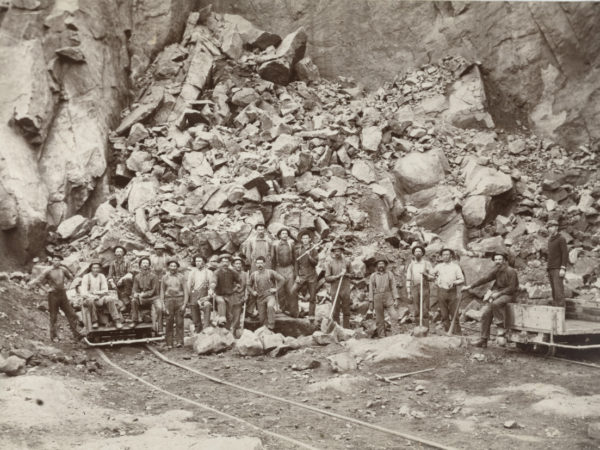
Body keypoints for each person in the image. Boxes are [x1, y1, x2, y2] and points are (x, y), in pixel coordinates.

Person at [463, 250, 519, 348]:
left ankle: (501, 327)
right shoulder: (496, 271)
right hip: (498, 295)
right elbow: (485, 279)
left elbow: (512, 288)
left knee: (495, 303)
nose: (497, 261)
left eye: (500, 259)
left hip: (509, 295)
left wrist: (498, 294)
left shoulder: (511, 271)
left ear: (505, 260)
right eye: (496, 259)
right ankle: (483, 340)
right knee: (485, 314)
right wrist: (470, 286)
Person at [28, 254, 82, 342]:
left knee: (71, 314)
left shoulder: (63, 269)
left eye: (58, 260)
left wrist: (67, 286)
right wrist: (46, 290)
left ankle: (76, 334)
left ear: (60, 261)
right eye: (55, 260)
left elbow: (71, 278)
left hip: (63, 294)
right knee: (53, 316)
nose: (56, 262)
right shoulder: (47, 270)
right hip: (53, 295)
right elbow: (38, 281)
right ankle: (53, 336)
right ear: (52, 261)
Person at [80, 260, 123, 329]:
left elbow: (105, 290)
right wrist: (92, 296)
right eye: (94, 268)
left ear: (100, 269)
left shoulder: (101, 276)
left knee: (109, 299)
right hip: (88, 298)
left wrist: (96, 293)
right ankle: (95, 321)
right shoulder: (86, 277)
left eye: (97, 268)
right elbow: (83, 292)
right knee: (90, 301)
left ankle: (116, 320)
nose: (96, 269)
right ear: (91, 268)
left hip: (100, 297)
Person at [431, 248, 465, 334]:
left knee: (454, 314)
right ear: (441, 257)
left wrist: (454, 282)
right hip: (441, 291)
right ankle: (448, 332)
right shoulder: (438, 266)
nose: (445, 256)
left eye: (447, 255)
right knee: (444, 314)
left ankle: (457, 333)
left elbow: (461, 279)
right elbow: (431, 275)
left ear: (451, 256)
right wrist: (435, 280)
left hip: (452, 292)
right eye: (444, 255)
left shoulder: (455, 267)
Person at [249, 256, 285, 330]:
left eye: (261, 263)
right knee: (262, 320)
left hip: (269, 296)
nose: (260, 265)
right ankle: (265, 331)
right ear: (255, 264)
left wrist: (276, 288)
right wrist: (253, 292)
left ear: (264, 264)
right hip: (259, 298)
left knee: (270, 306)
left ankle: (271, 325)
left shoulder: (270, 272)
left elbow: (282, 279)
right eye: (258, 263)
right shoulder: (253, 274)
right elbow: (248, 285)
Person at [368, 256, 400, 337]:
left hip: (388, 296)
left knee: (394, 315)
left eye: (382, 264)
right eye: (379, 264)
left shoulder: (389, 274)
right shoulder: (373, 276)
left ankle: (395, 334)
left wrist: (396, 298)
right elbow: (371, 289)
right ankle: (381, 336)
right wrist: (371, 301)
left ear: (385, 265)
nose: (381, 265)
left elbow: (393, 286)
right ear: (376, 266)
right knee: (379, 318)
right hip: (377, 297)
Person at [291, 229, 319, 318]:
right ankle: (296, 312)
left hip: (312, 276)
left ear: (309, 239)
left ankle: (311, 315)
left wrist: (309, 256)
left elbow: (315, 263)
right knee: (292, 291)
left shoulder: (313, 249)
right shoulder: (298, 250)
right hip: (302, 275)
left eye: (307, 238)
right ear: (301, 240)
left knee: (312, 297)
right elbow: (296, 264)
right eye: (304, 239)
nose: (305, 240)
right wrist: (297, 276)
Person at [160, 259, 188, 349]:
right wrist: (163, 304)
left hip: (179, 300)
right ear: (168, 267)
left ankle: (180, 341)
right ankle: (169, 343)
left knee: (180, 322)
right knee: (169, 322)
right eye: (171, 266)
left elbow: (185, 291)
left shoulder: (181, 277)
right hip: (168, 300)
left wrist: (184, 304)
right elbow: (162, 291)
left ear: (177, 267)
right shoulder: (165, 277)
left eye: (175, 266)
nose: (173, 268)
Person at [131, 256, 163, 332]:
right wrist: (135, 294)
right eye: (143, 263)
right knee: (133, 301)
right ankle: (135, 321)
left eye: (147, 263)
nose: (145, 265)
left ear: (149, 266)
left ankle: (160, 327)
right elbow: (134, 289)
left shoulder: (154, 276)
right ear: (140, 266)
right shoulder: (137, 277)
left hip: (154, 298)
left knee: (159, 307)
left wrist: (143, 294)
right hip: (142, 298)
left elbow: (154, 290)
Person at [324, 244, 353, 328]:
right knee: (335, 309)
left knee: (346, 309)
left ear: (342, 252)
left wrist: (346, 274)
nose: (337, 253)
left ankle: (346, 328)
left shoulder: (347, 262)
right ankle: (337, 328)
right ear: (333, 252)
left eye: (339, 251)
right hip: (335, 288)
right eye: (335, 251)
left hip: (345, 288)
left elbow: (352, 274)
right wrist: (337, 276)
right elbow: (327, 278)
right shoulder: (330, 263)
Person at [405, 243, 434, 328]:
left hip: (424, 287)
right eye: (416, 251)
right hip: (414, 287)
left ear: (422, 253)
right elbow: (408, 279)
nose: (418, 253)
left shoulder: (427, 264)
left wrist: (426, 275)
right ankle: (418, 327)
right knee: (416, 309)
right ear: (414, 253)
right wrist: (409, 292)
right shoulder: (411, 265)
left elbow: (433, 277)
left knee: (425, 308)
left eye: (419, 251)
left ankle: (425, 328)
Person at [272, 227, 297, 316]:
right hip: (279, 268)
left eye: (286, 234)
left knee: (291, 289)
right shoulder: (275, 245)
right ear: (279, 235)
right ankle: (282, 309)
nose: (285, 235)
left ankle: (292, 310)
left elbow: (295, 258)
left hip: (289, 268)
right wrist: (273, 272)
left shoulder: (291, 244)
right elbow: (273, 259)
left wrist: (295, 271)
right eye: (283, 233)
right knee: (280, 290)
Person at [210, 254, 240, 327]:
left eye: (227, 262)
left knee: (230, 314)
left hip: (230, 295)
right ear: (220, 262)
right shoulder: (217, 272)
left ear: (229, 262)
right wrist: (212, 287)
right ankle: (221, 318)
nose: (225, 263)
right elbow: (214, 281)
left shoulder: (233, 272)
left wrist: (236, 287)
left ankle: (228, 330)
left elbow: (239, 281)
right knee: (221, 302)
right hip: (219, 294)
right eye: (223, 262)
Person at [187, 255, 215, 332]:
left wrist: (209, 295)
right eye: (196, 261)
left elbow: (211, 285)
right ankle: (197, 328)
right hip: (194, 294)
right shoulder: (192, 272)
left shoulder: (209, 272)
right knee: (193, 308)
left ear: (204, 262)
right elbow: (188, 285)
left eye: (199, 261)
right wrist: (187, 297)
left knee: (207, 306)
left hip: (204, 294)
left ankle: (206, 328)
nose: (198, 263)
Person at [547, 219, 568, 307]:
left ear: (556, 227)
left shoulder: (561, 239)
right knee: (554, 292)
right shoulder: (550, 240)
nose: (549, 229)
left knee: (559, 292)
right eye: (548, 227)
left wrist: (563, 268)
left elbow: (565, 253)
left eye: (551, 227)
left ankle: (561, 314)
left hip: (558, 269)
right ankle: (556, 313)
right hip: (551, 268)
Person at [107, 245, 133, 313]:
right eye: (117, 251)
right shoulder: (113, 263)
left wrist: (122, 279)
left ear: (123, 253)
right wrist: (112, 283)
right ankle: (117, 304)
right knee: (109, 285)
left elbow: (130, 273)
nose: (119, 253)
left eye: (120, 252)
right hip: (116, 281)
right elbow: (110, 275)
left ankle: (128, 302)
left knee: (127, 280)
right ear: (115, 253)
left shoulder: (127, 262)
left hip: (124, 279)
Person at [230, 255, 249, 335]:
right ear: (233, 265)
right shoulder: (230, 273)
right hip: (232, 295)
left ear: (242, 265)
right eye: (236, 263)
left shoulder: (245, 274)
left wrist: (246, 295)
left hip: (241, 296)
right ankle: (233, 327)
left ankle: (233, 328)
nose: (238, 265)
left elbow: (248, 286)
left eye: (239, 264)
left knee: (237, 307)